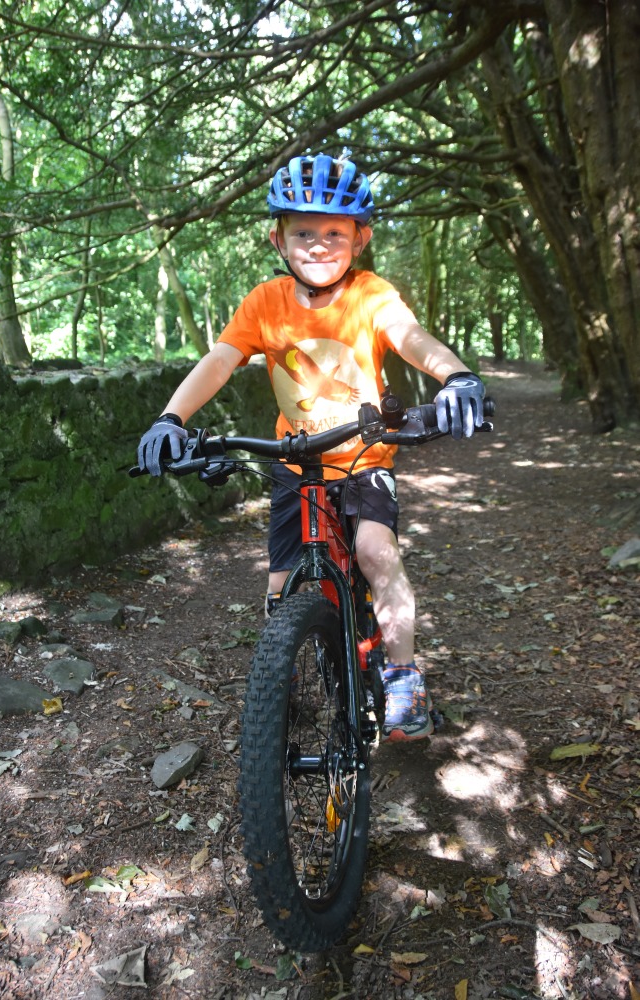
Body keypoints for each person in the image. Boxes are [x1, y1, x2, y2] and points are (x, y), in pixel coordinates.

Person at [137, 153, 485, 742]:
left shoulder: (370, 294)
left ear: (360, 239)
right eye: (303, 232)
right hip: (295, 464)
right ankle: (284, 669)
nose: (318, 245)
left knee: (375, 553)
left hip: (362, 460)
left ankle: (403, 676)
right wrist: (171, 417)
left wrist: (456, 377)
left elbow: (410, 337)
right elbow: (220, 360)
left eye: (334, 234)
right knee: (279, 580)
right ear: (278, 239)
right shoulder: (265, 302)